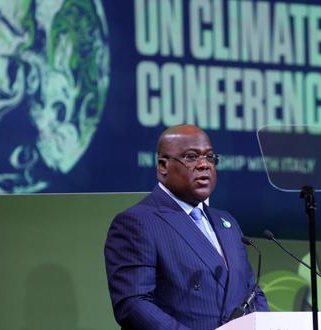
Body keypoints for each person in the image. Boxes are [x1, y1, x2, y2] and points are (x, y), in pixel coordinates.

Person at [104, 124, 268, 330]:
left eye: (209, 157)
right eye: (191, 157)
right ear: (163, 166)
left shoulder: (227, 223)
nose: (204, 165)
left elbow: (251, 291)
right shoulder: (137, 222)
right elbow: (133, 303)